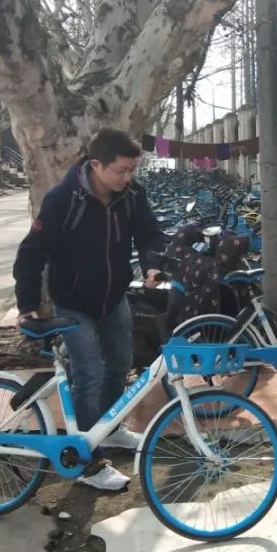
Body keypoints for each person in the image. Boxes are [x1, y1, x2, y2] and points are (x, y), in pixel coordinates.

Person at [13, 128, 165, 491]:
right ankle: (86, 462)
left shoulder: (131, 195)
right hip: (73, 302)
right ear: (96, 165)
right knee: (90, 373)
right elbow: (31, 252)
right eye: (121, 170)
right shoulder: (63, 199)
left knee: (120, 364)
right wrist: (28, 302)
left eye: (132, 170)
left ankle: (108, 429)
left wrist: (152, 265)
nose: (128, 177)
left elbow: (149, 233)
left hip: (113, 298)